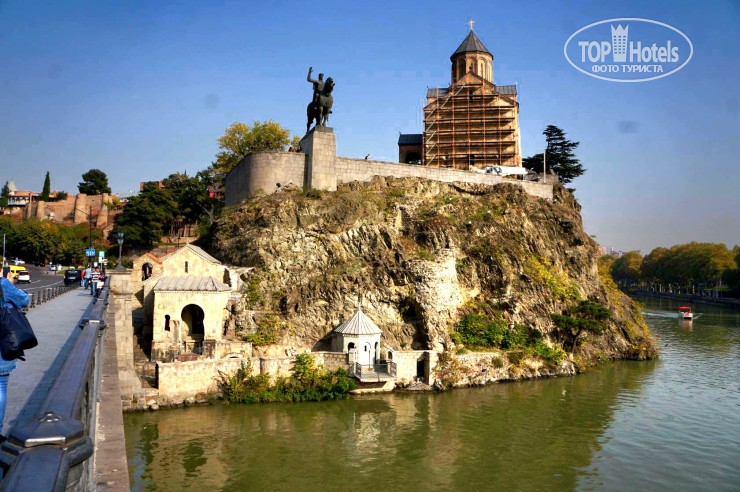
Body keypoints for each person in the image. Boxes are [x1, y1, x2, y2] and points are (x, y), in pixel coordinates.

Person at [0, 269, 29, 437]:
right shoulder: (3, 284)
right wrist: (9, 283)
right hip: (2, 345)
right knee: (0, 387)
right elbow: (24, 300)